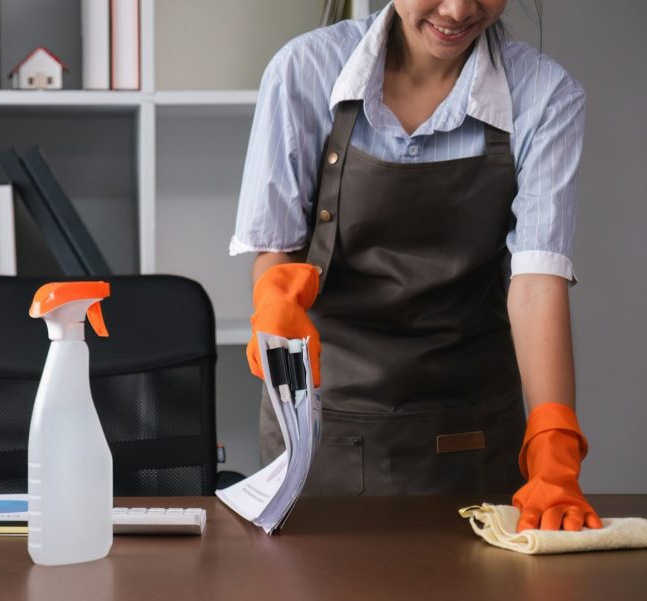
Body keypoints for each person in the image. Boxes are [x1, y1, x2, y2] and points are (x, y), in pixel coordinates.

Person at [232, 0, 602, 532]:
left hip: (469, 434)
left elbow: (537, 281)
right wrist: (275, 298)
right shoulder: (306, 70)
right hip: (323, 425)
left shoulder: (545, 95)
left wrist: (553, 440)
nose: (457, 10)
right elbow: (277, 246)